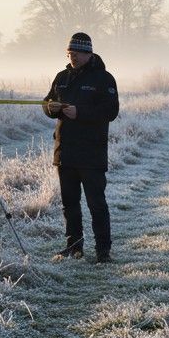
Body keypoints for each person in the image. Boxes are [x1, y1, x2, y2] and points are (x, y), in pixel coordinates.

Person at [43, 32, 120, 263]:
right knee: (69, 203)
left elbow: (111, 112)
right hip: (65, 151)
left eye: (76, 53)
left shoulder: (104, 79)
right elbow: (46, 103)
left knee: (96, 203)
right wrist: (52, 108)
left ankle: (103, 250)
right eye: (69, 53)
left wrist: (80, 113)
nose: (72, 57)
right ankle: (74, 246)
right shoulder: (61, 77)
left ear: (88, 53)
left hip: (92, 152)